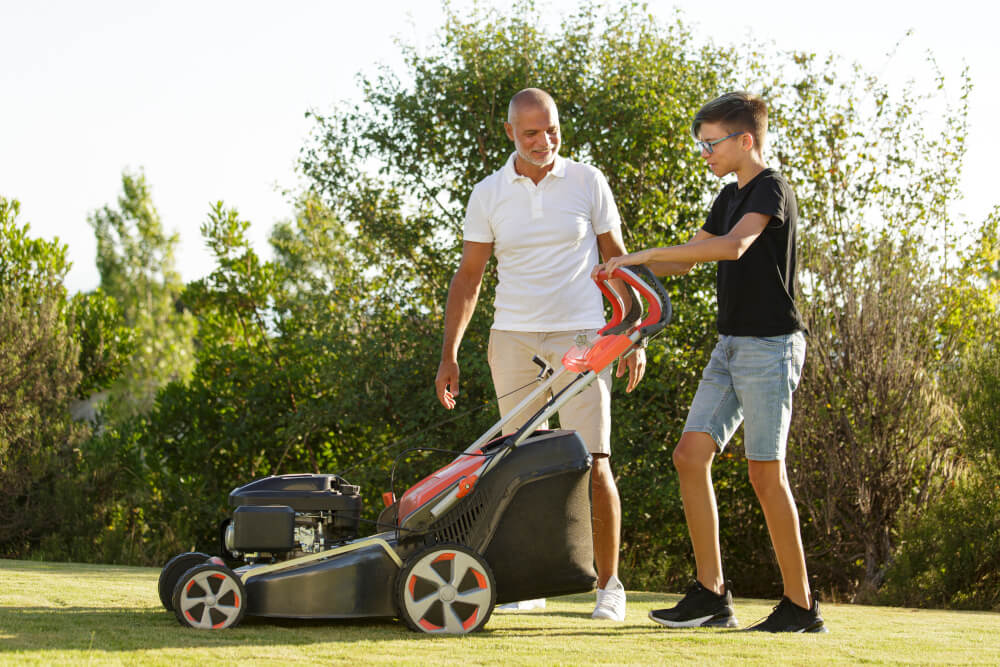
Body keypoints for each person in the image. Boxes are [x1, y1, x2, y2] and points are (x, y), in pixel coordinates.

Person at [598, 91, 826, 633]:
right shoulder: (728, 196)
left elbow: (733, 248)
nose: (705, 152)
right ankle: (711, 594)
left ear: (746, 140)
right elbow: (690, 256)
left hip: (770, 347)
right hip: (730, 346)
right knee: (689, 455)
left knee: (765, 475)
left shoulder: (770, 188)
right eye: (701, 144)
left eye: (712, 143)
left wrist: (646, 256)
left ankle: (801, 607)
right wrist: (627, 268)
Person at [434, 88, 645, 622]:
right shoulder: (488, 194)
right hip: (513, 339)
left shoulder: (587, 181)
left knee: (595, 460)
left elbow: (615, 259)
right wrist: (449, 354)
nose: (544, 141)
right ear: (510, 133)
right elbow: (469, 278)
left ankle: (609, 586)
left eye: (551, 129)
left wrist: (631, 333)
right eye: (531, 132)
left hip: (580, 338)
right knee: (520, 464)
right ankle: (530, 581)